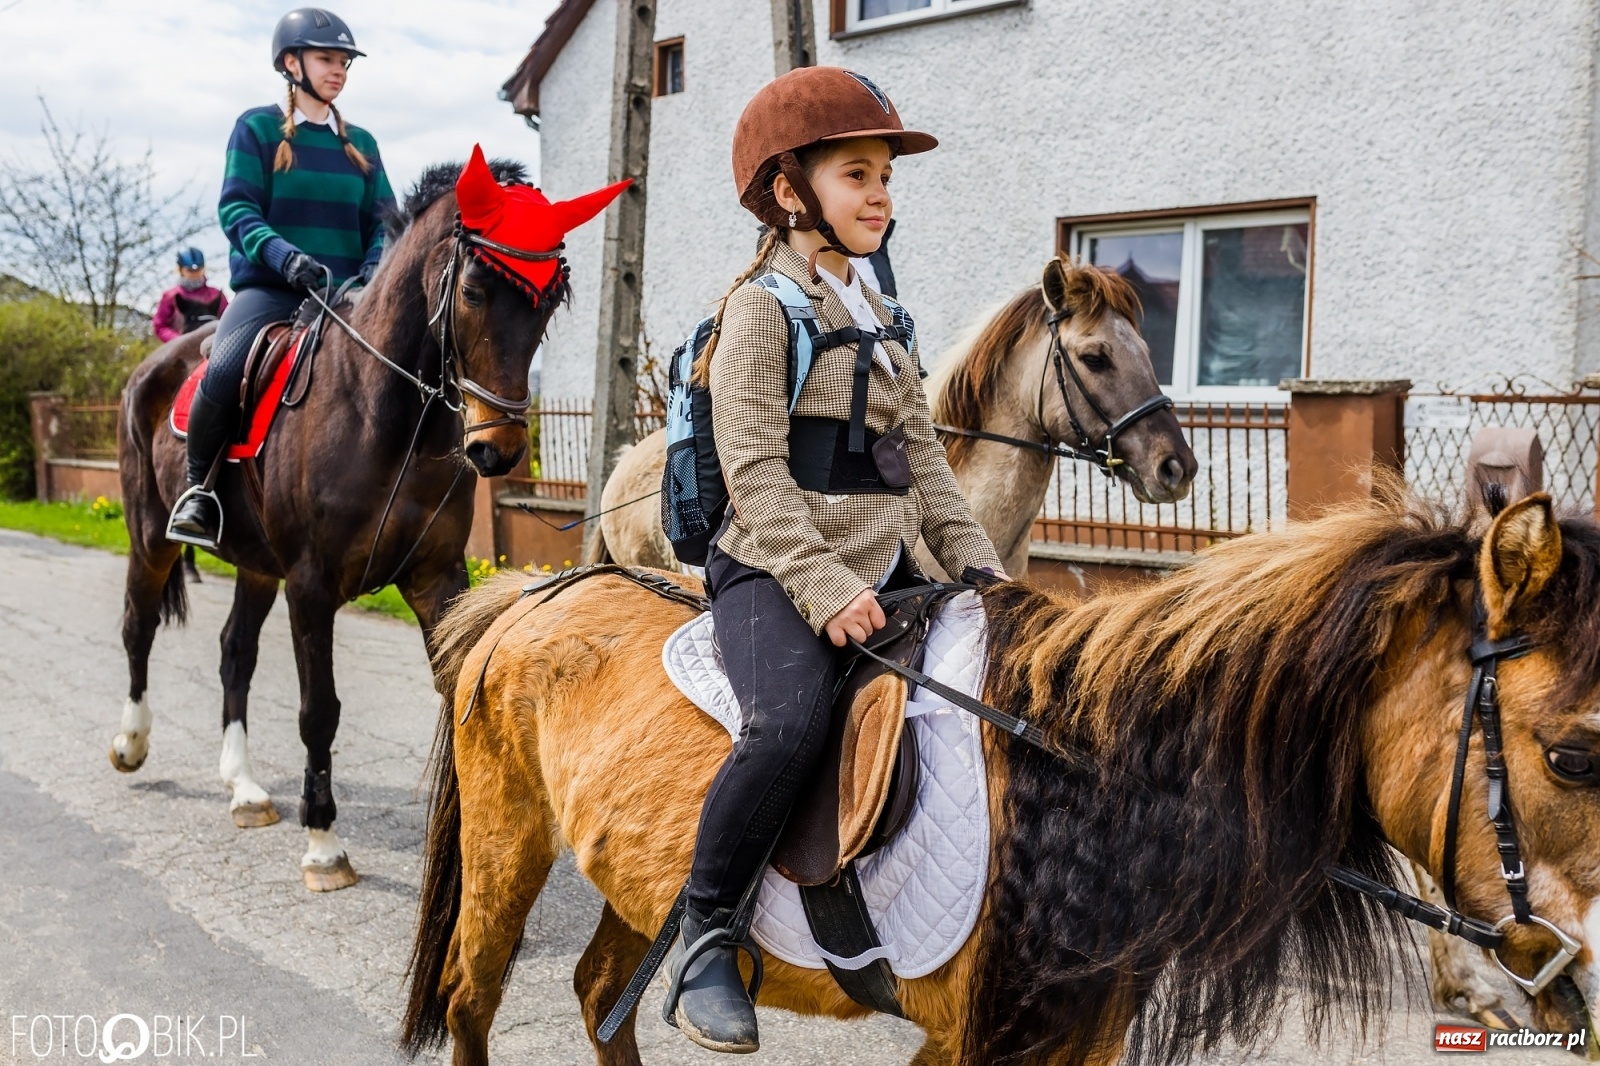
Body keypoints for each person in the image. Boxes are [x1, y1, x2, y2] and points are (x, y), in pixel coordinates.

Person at [666, 66, 1004, 1053]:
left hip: (882, 570)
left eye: (886, 178)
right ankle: (708, 933)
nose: (880, 195)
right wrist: (825, 590)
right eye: (857, 173)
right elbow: (757, 478)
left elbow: (929, 476)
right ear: (787, 189)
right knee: (789, 723)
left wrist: (987, 579)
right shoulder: (761, 315)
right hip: (773, 570)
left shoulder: (884, 322)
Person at [167, 7, 393, 548]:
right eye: (326, 59)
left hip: (347, 298)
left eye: (344, 62)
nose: (338, 70)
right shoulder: (257, 128)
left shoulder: (360, 143)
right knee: (222, 369)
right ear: (291, 62)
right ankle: (199, 492)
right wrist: (285, 259)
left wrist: (368, 273)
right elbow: (237, 209)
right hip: (271, 289)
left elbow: (384, 221)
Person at [151, 247, 228, 342]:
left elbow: (228, 320)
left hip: (212, 344)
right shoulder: (169, 296)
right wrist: (180, 341)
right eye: (190, 270)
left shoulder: (215, 294)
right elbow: (159, 326)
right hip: (180, 348)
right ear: (180, 270)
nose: (194, 274)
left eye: (198, 270)